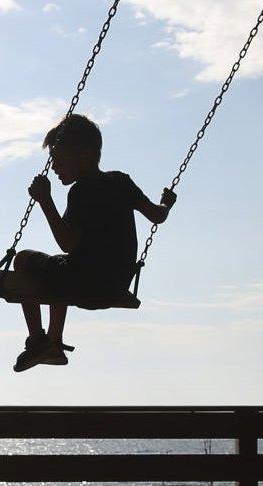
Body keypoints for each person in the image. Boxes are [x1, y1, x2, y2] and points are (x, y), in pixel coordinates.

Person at [12, 114, 176, 372]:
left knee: (23, 259)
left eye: (60, 159)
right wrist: (167, 202)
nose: (54, 167)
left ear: (86, 155)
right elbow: (157, 215)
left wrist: (45, 201)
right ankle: (53, 343)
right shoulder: (121, 181)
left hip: (86, 284)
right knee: (59, 267)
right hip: (115, 284)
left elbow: (67, 242)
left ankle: (38, 341)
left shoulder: (81, 192)